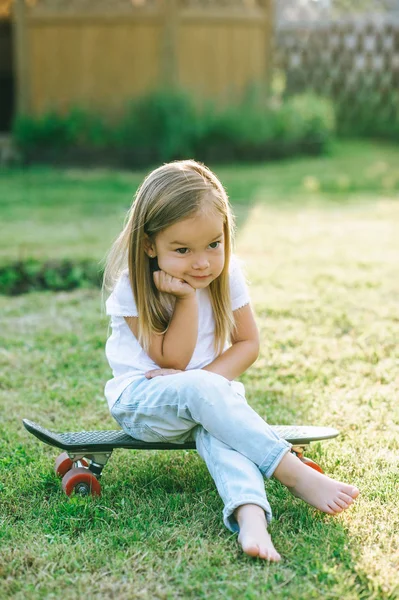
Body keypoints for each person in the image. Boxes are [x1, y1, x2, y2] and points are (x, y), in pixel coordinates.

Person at [103, 160, 359, 561]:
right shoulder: (133, 288)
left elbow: (247, 344)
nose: (202, 262)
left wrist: (207, 386)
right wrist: (186, 300)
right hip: (144, 402)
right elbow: (172, 358)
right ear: (150, 245)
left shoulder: (227, 274)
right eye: (182, 250)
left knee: (224, 433)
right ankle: (292, 472)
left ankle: (251, 517)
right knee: (211, 399)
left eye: (213, 244)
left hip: (207, 394)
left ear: (225, 234)